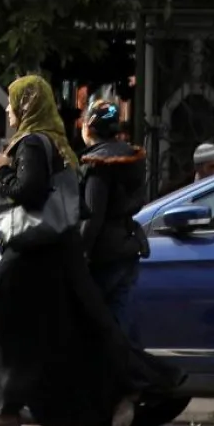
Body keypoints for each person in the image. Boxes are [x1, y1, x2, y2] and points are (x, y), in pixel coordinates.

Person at [0, 75, 183, 426]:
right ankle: (110, 397)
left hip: (37, 252)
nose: (7, 109)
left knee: (11, 325)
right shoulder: (59, 145)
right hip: (61, 252)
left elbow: (31, 193)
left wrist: (1, 170)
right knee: (79, 332)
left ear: (27, 105)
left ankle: (7, 406)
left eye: (12, 101)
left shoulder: (32, 144)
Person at [78, 97, 149, 339]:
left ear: (88, 126)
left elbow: (92, 216)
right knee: (119, 324)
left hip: (102, 256)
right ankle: (126, 370)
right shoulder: (133, 160)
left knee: (93, 327)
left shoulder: (97, 165)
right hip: (128, 247)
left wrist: (78, 254)